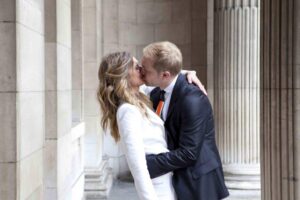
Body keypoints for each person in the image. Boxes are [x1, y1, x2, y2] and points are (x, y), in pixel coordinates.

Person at [141, 41, 229, 200]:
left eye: (145, 70)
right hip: (176, 177)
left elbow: (189, 153)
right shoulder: (156, 92)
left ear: (165, 75)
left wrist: (145, 164)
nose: (141, 73)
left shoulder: (193, 99)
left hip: (199, 183)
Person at [97, 52, 176, 200]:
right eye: (136, 67)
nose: (142, 68)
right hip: (157, 188)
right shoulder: (127, 111)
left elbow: (166, 78)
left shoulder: (139, 96)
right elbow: (137, 166)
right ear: (124, 75)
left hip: (166, 180)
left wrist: (189, 74)